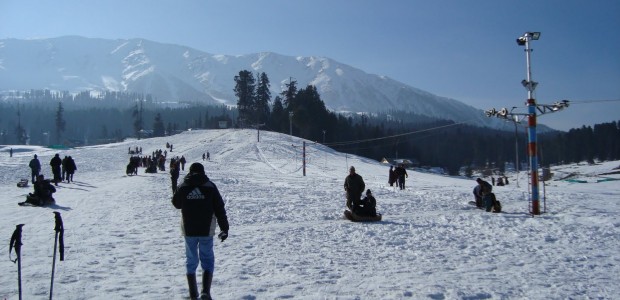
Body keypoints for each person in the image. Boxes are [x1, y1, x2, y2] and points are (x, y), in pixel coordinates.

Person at [172, 162, 229, 300]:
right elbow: (219, 208)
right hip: (206, 229)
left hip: (188, 229)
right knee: (207, 258)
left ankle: (193, 294)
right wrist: (224, 228)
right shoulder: (210, 186)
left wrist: (175, 184)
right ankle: (205, 292)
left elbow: (176, 203)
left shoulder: (184, 186)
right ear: (203, 172)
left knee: (191, 259)